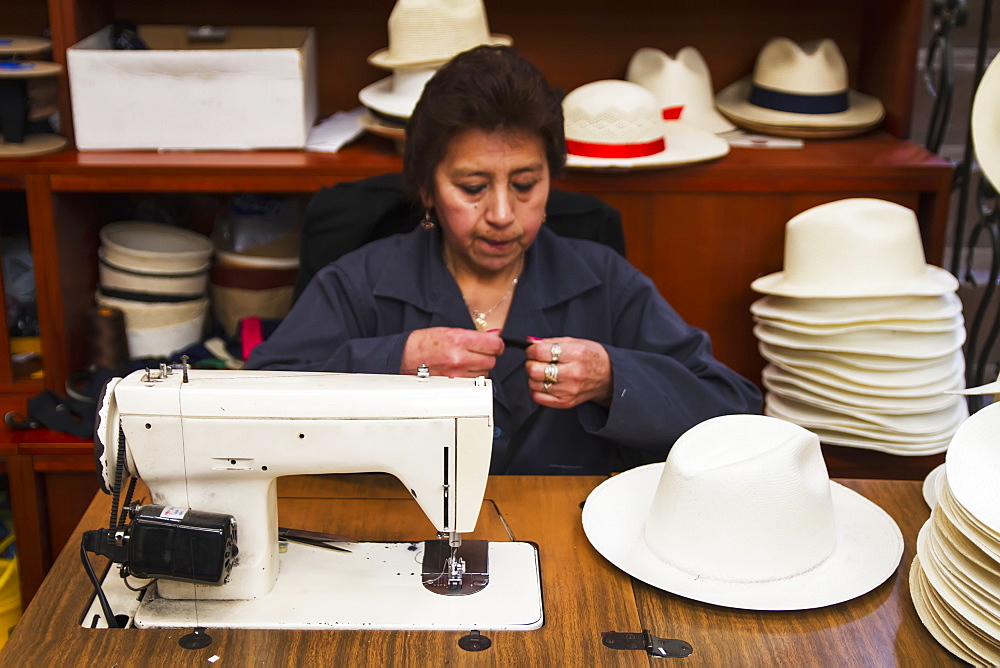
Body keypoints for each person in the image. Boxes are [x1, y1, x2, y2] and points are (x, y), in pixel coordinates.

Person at [246, 45, 762, 474]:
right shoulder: (359, 282)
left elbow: (734, 411)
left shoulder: (604, 282)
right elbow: (248, 408)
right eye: (472, 187)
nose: (501, 214)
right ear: (427, 189)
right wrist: (393, 362)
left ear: (550, 181)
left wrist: (612, 376)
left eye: (525, 185)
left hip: (570, 544)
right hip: (392, 540)